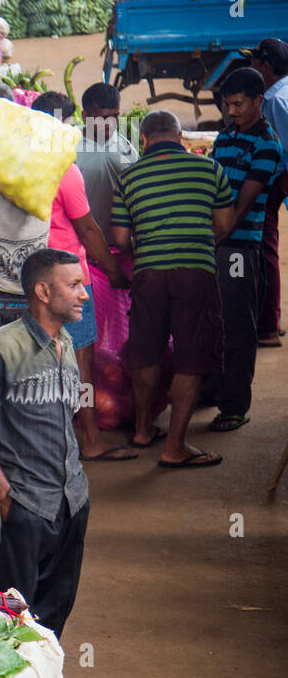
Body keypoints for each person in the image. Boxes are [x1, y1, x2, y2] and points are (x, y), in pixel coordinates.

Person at [0, 249, 91, 639]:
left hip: (72, 501)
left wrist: (78, 492)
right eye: (74, 285)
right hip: (25, 506)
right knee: (8, 617)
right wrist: (3, 494)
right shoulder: (0, 349)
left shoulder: (65, 342)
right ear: (43, 292)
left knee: (55, 611)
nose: (84, 294)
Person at [111, 110, 235, 467]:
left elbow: (119, 238)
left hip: (148, 276)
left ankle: (142, 429)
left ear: (144, 140)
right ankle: (175, 448)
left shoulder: (129, 176)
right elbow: (224, 224)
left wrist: (149, 251)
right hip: (196, 273)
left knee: (145, 353)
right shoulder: (209, 169)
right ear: (180, 138)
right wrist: (195, 245)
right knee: (190, 359)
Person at [32, 92, 134, 460]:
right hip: (70, 278)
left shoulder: (16, 167)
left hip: (32, 278)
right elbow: (89, 230)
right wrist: (113, 270)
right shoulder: (65, 168)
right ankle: (90, 439)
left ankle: (42, 442)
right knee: (81, 363)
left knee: (36, 361)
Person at [199, 68, 283, 432]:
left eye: (237, 104)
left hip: (236, 251)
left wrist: (204, 243)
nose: (230, 111)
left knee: (236, 325)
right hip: (216, 245)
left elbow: (238, 211)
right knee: (209, 323)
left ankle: (234, 406)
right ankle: (210, 390)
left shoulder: (268, 146)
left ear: (258, 101)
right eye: (226, 104)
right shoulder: (224, 138)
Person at [244, 39, 288, 346]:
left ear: (266, 65)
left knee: (264, 248)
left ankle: (269, 325)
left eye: (255, 62)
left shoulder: (274, 100)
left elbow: (282, 151)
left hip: (276, 179)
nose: (252, 67)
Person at [76, 83, 138, 237]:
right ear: (85, 116)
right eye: (102, 118)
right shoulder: (69, 144)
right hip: (81, 239)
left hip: (118, 240)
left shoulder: (126, 147)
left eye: (115, 116)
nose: (110, 124)